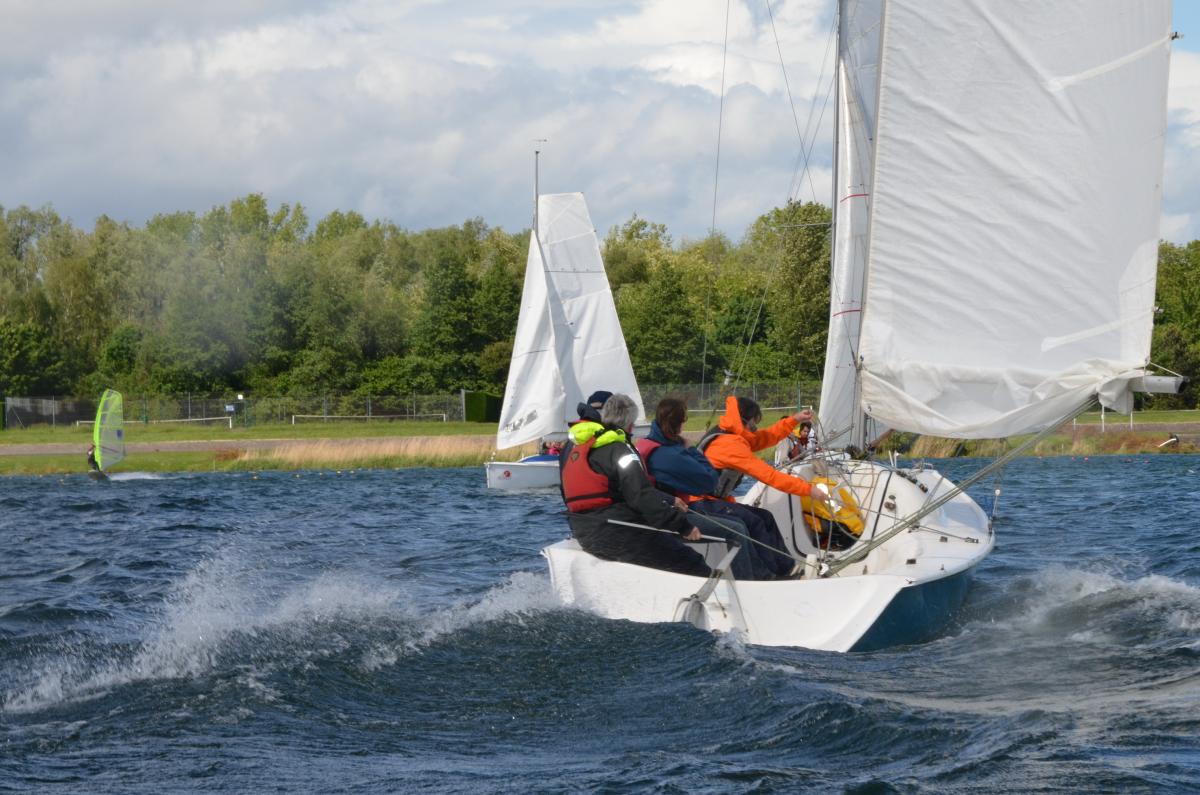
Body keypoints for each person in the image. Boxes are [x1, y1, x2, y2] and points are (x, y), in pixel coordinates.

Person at [562, 393, 711, 577]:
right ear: (630, 423)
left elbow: (625, 490)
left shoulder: (577, 449)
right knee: (693, 563)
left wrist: (668, 499)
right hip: (615, 531)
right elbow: (640, 495)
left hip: (584, 531)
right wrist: (683, 526)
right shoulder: (620, 451)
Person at [635, 396, 770, 580]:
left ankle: (760, 575)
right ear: (679, 423)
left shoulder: (646, 444)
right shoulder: (668, 454)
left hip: (662, 509)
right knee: (737, 529)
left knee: (742, 522)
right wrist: (690, 449)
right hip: (673, 516)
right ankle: (750, 581)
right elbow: (709, 481)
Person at [693, 396, 831, 573]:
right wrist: (809, 490)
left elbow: (767, 437)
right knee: (753, 522)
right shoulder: (729, 444)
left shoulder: (733, 433)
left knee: (766, 517)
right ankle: (764, 576)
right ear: (745, 420)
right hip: (700, 502)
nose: (755, 428)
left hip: (713, 500)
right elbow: (770, 476)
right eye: (754, 422)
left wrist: (794, 420)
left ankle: (787, 568)